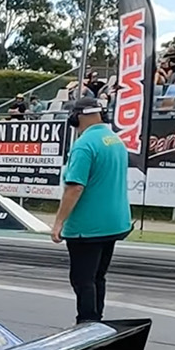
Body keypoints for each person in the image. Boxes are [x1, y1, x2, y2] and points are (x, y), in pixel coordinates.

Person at [50, 98, 131, 324]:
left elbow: (75, 187)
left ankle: (86, 324)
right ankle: (97, 321)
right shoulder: (114, 140)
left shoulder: (84, 145)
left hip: (87, 226)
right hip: (114, 222)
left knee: (82, 279)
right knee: (98, 277)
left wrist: (59, 222)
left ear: (77, 116)